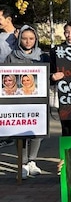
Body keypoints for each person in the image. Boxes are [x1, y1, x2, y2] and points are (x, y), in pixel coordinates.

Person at [6, 25, 50, 177]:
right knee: (20, 133)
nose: (28, 41)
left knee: (37, 132)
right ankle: (22, 163)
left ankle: (32, 161)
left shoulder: (43, 56)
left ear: (36, 39)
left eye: (31, 38)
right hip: (18, 102)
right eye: (24, 38)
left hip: (38, 102)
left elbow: (50, 77)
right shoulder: (12, 56)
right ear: (19, 39)